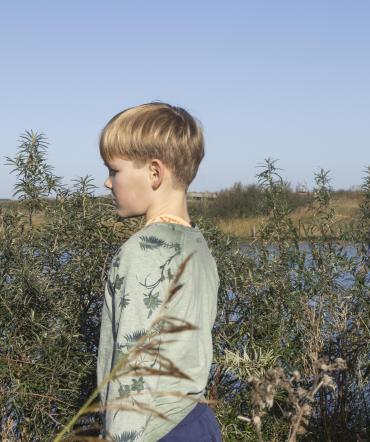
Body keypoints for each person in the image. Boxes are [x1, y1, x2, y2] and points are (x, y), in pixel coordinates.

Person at [97, 103, 221, 441]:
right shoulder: (199, 247)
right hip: (197, 422)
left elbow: (132, 367)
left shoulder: (141, 252)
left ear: (154, 173)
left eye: (114, 170)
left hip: (154, 432)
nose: (108, 182)